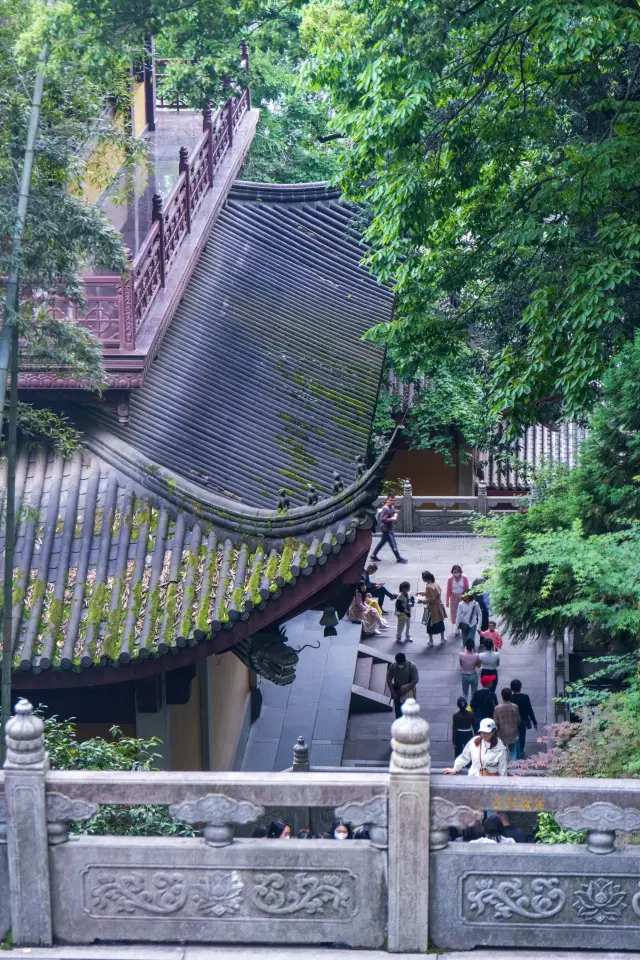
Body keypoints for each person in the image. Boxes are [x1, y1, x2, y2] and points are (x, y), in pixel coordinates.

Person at [443, 717, 509, 777]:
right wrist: (455, 768)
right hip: (474, 777)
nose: (484, 734)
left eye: (487, 732)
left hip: (491, 781)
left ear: (494, 732)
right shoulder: (474, 742)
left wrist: (503, 785)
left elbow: (503, 769)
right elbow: (464, 757)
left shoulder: (500, 748)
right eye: (482, 732)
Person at [371, 494, 408, 563]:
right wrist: (392, 519)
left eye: (393, 500)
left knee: (382, 542)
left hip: (389, 529)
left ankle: (373, 555)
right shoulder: (386, 508)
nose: (392, 501)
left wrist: (395, 514)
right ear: (387, 500)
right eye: (391, 500)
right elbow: (383, 519)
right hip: (386, 529)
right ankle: (398, 558)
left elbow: (394, 512)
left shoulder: (392, 506)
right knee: (393, 544)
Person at [417, 570, 447, 647]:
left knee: (429, 624)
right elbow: (432, 594)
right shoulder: (435, 583)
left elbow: (431, 598)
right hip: (438, 607)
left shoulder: (428, 586)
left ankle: (431, 640)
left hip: (431, 608)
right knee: (440, 623)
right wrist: (422, 593)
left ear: (425, 578)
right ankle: (442, 638)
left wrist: (422, 600)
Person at [510, 678, 538, 758]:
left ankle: (513, 749)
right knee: (522, 736)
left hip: (513, 721)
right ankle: (521, 750)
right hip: (523, 720)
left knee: (513, 735)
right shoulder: (525, 697)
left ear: (511, 688)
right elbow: (530, 710)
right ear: (520, 687)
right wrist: (534, 722)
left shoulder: (511, 698)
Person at [386, 652, 418, 719]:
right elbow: (389, 679)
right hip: (397, 691)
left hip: (409, 691)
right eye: (397, 663)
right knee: (398, 712)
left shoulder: (412, 666)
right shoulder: (393, 666)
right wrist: (392, 691)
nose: (399, 664)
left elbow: (415, 680)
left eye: (400, 663)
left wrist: (405, 689)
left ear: (404, 661)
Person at [493, 687, 521, 761]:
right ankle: (514, 769)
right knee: (513, 753)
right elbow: (518, 720)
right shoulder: (515, 707)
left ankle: (504, 768)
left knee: (502, 753)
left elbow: (495, 723)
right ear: (510, 696)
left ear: (502, 696)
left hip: (501, 734)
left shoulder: (497, 708)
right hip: (513, 733)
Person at [446, 565, 469, 635]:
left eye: (457, 572)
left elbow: (467, 589)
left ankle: (463, 626)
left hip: (462, 596)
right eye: (454, 572)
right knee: (454, 613)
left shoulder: (464, 578)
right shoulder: (450, 579)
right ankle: (457, 628)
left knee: (463, 612)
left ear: (460, 572)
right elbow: (448, 590)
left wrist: (467, 599)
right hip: (453, 597)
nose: (456, 573)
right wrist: (447, 601)